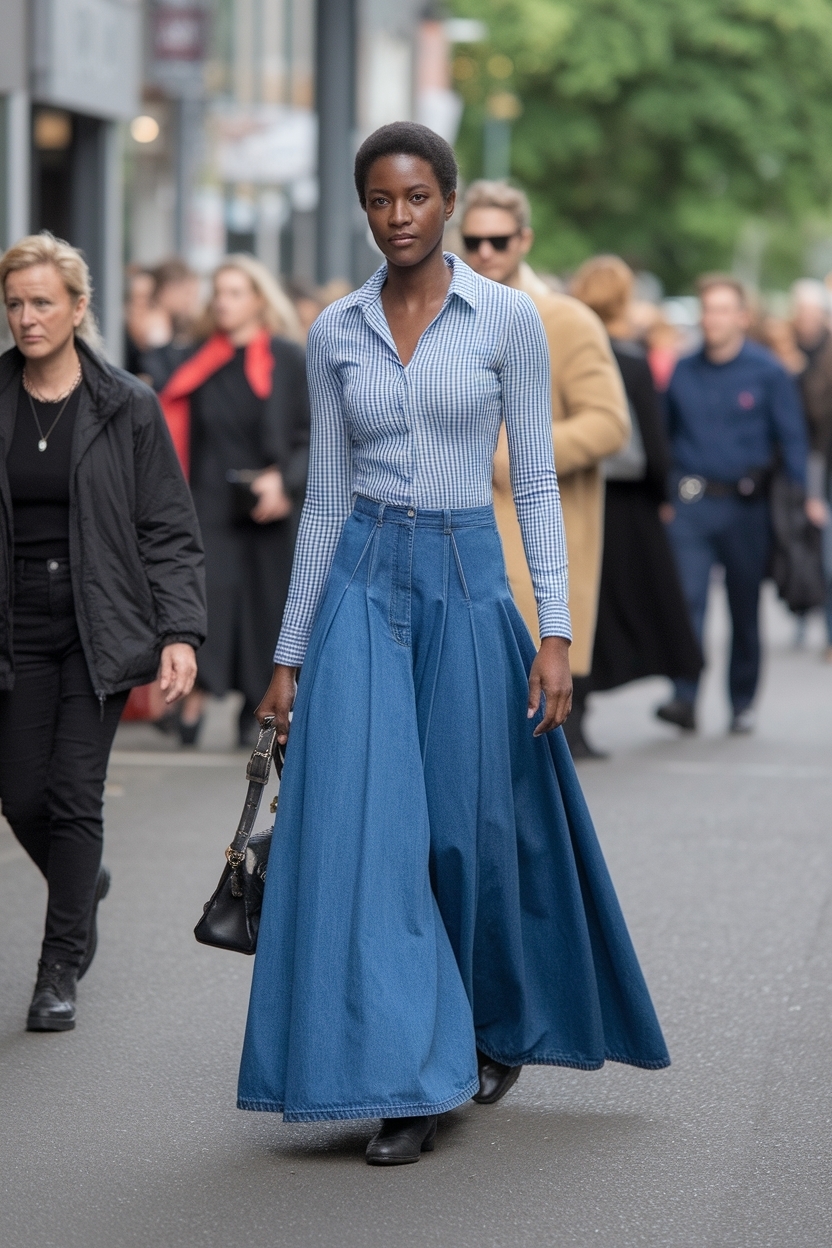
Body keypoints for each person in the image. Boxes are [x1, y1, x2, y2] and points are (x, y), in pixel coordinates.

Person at [239, 122, 669, 1166]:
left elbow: (530, 480)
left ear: (448, 200)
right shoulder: (336, 330)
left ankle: (480, 1025)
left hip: (472, 588)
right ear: (364, 208)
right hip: (363, 589)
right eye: (380, 200)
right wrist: (289, 654)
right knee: (370, 835)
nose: (398, 217)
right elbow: (327, 496)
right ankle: (412, 1077)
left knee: (460, 836)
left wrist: (555, 631)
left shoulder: (508, 320)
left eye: (416, 198)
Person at [0, 232, 205, 1031]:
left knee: (73, 795)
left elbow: (167, 528)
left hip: (100, 621)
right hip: (16, 620)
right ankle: (84, 884)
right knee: (21, 795)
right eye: (15, 303)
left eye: (42, 302)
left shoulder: (125, 404)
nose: (26, 318)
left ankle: (58, 969)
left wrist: (179, 631)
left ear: (79, 309)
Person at [458, 181, 630, 760]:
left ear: (524, 240)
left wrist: (519, 452)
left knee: (524, 743)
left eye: (498, 240)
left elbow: (609, 422)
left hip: (529, 539)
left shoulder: (566, 319)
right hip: (452, 538)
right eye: (474, 239)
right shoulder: (445, 313)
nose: (484, 252)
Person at [659, 274, 819, 734]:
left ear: (742, 317)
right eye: (708, 310)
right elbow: (665, 437)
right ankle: (684, 695)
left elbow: (792, 439)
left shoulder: (768, 372)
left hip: (748, 507)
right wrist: (666, 495)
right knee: (687, 601)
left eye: (723, 310)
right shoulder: (684, 370)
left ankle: (742, 701)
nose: (713, 319)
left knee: (744, 606)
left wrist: (799, 500)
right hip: (692, 504)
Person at [159, 255, 309, 747]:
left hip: (270, 504)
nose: (223, 301)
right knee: (210, 600)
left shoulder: (288, 358)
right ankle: (197, 696)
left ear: (260, 300)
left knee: (269, 606)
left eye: (235, 291)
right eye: (218, 292)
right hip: (209, 502)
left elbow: (317, 436)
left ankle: (256, 703)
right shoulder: (198, 358)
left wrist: (283, 483)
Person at [569, 256, 702, 716]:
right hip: (626, 501)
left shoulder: (563, 353)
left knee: (579, 604)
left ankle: (576, 713)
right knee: (647, 604)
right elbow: (652, 441)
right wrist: (662, 496)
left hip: (572, 489)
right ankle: (682, 687)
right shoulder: (629, 360)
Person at [791, 280, 832, 656]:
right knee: (808, 549)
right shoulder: (788, 351)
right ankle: (802, 615)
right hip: (806, 462)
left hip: (819, 462)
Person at [139, 258, 204, 392]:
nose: (190, 301)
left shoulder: (169, 322)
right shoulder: (156, 324)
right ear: (168, 290)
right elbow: (160, 376)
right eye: (187, 294)